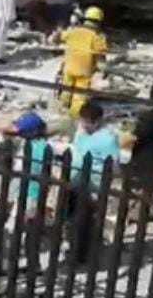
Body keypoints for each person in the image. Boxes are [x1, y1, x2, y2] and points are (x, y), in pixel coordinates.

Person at [66, 102, 120, 266]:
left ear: (97, 121)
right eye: (83, 120)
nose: (84, 124)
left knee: (85, 221)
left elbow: (114, 165)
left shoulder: (108, 138)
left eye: (88, 121)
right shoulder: (81, 132)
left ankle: (83, 255)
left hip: (93, 184)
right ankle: (75, 250)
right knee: (73, 219)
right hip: (76, 179)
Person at [57, 6, 109, 119]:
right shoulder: (98, 37)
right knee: (79, 97)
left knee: (66, 91)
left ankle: (61, 111)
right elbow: (101, 56)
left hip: (69, 68)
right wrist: (103, 71)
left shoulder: (73, 31)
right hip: (84, 71)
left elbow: (60, 36)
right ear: (99, 21)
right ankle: (74, 118)